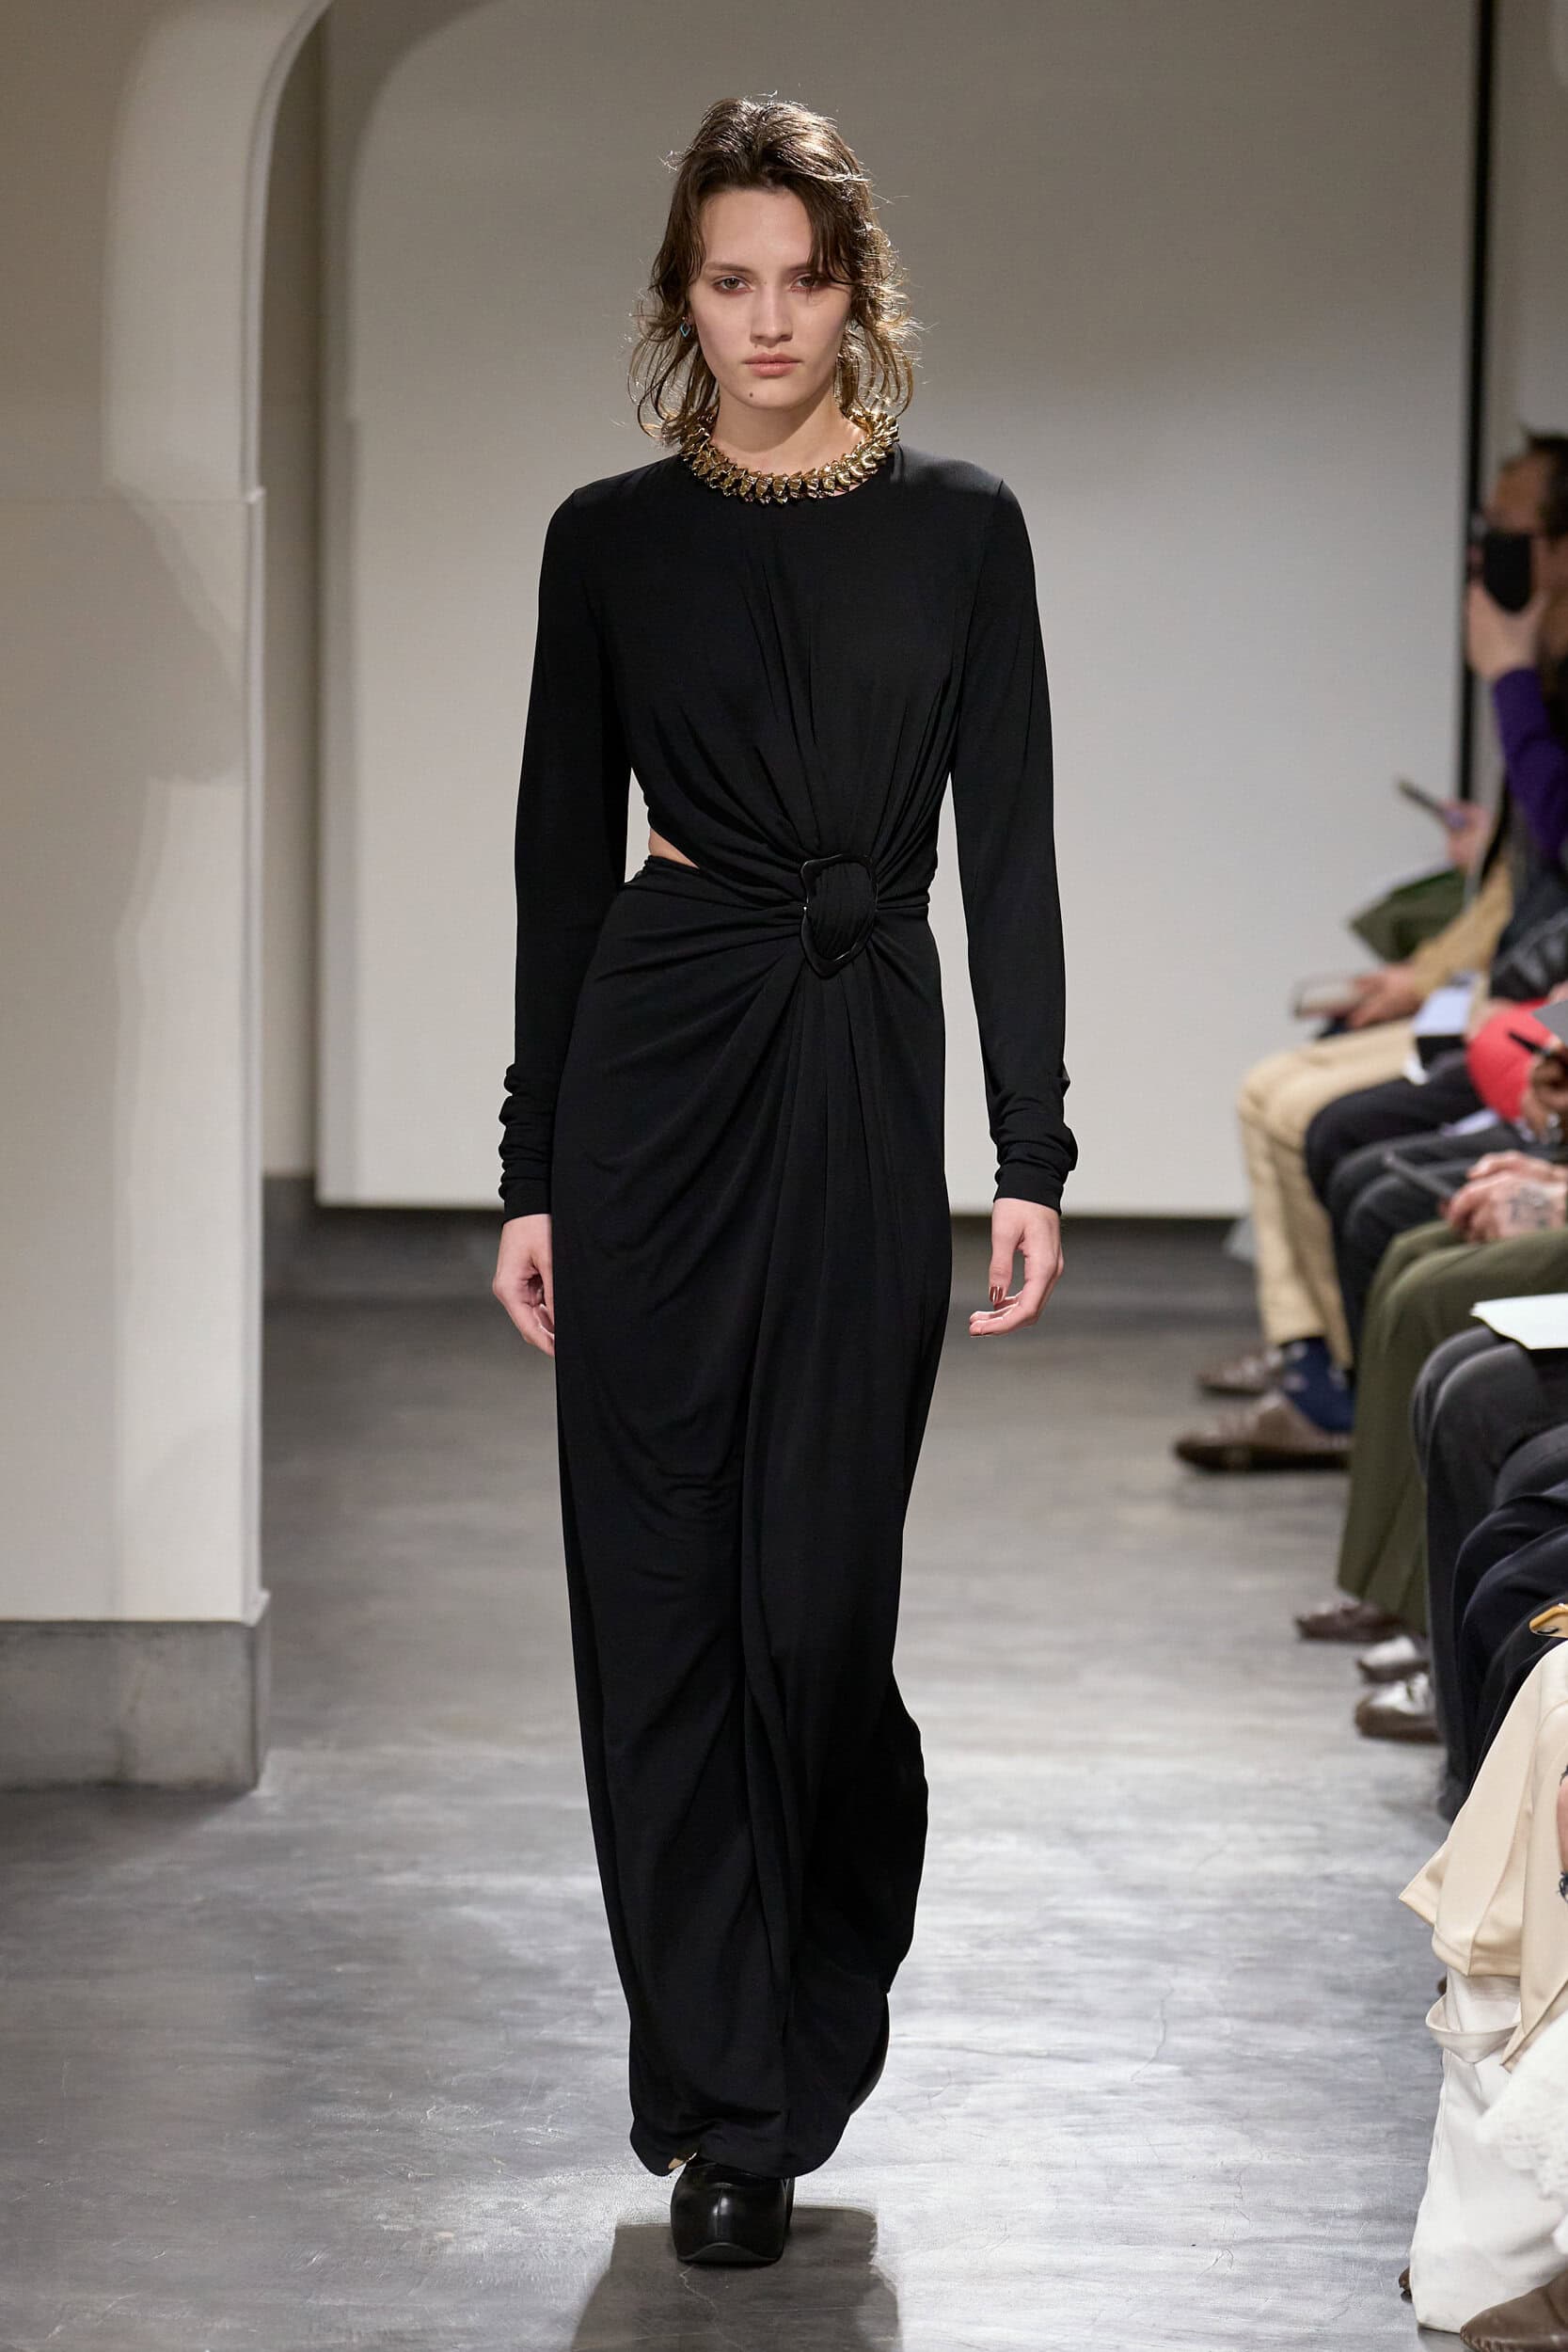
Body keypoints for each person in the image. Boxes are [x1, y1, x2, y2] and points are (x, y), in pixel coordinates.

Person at [490, 97, 1074, 2269]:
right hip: (651, 1079)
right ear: (681, 299)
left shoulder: (963, 529)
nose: (765, 319)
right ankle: (725, 2102)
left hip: (853, 1064)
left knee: (817, 1613)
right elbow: (560, 869)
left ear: (855, 291)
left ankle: (812, 1979)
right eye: (727, 281)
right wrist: (530, 1166)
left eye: (801, 279)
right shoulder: (607, 543)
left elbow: (1008, 846)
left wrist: (1029, 1145)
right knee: (655, 1598)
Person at [1178, 431, 1568, 1481]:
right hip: (1512, 1003)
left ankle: (1342, 1389)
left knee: (1339, 1136)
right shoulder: (1539, 679)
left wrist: (1505, 674)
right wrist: (1426, 974)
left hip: (1526, 1015)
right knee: (1286, 1095)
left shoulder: (1531, 680)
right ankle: (1317, 1363)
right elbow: (1511, 885)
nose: (1488, 555)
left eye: (1510, 533)